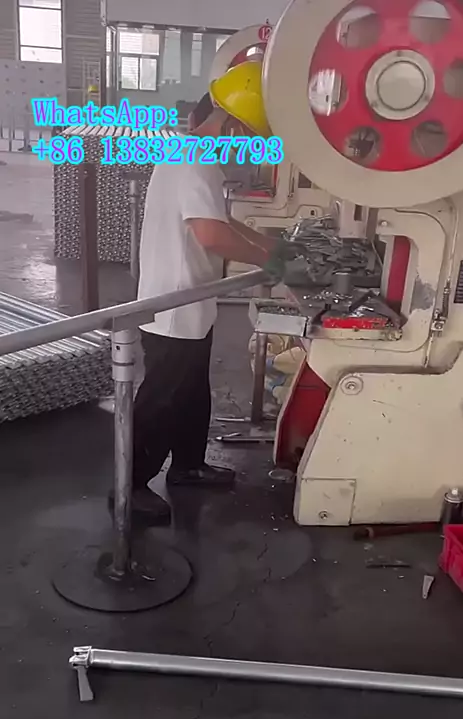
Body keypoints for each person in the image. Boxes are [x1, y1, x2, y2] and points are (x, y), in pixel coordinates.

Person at [132, 61, 288, 523]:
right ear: (233, 125)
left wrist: (271, 244)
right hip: (173, 307)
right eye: (248, 136)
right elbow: (211, 235)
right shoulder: (195, 161)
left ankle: (188, 466)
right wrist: (269, 263)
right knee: (161, 400)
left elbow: (219, 221)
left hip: (190, 303)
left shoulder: (186, 153)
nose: (246, 147)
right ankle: (130, 487)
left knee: (191, 394)